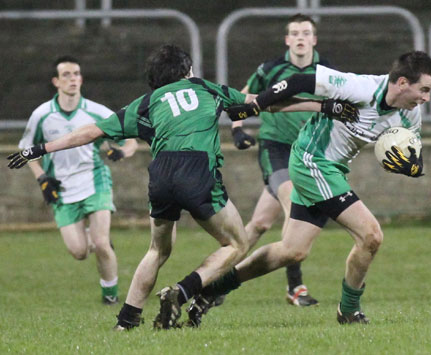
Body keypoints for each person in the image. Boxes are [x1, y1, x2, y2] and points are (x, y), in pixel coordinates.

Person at [7, 45, 357, 330]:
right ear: (186, 70)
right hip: (196, 171)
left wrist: (39, 149)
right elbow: (261, 103)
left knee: (157, 250)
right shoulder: (205, 88)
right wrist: (323, 105)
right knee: (235, 242)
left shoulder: (146, 102)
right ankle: (182, 291)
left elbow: (92, 131)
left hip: (160, 175)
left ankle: (126, 321)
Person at [187, 50, 431, 326]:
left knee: (292, 250)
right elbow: (298, 81)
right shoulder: (362, 88)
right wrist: (254, 105)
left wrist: (411, 166)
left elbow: (410, 151)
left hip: (332, 169)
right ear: (402, 83)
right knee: (371, 235)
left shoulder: (409, 117)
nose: (426, 98)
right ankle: (349, 310)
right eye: (424, 89)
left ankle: (212, 290)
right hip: (312, 161)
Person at [17, 55, 138, 304]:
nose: (73, 79)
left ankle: (111, 297)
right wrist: (42, 179)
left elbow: (131, 139)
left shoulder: (96, 111)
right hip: (62, 187)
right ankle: (93, 238)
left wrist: (121, 151)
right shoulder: (41, 115)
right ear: (56, 82)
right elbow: (27, 151)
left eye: (77, 74)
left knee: (102, 244)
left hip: (94, 180)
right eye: (67, 75)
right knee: (79, 252)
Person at [230, 13, 331, 308]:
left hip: (308, 152)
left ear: (314, 39)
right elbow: (244, 97)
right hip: (275, 149)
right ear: (287, 40)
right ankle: (295, 286)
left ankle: (218, 274)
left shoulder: (326, 72)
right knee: (294, 204)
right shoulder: (270, 69)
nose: (300, 37)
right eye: (295, 33)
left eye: (306, 33)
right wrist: (238, 129)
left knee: (260, 223)